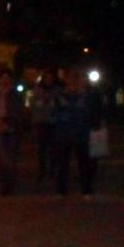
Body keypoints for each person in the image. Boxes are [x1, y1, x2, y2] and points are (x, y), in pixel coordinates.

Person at [52, 65, 102, 199]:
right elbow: (56, 115)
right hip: (65, 135)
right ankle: (61, 191)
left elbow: (94, 114)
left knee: (85, 165)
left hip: (82, 134)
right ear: (67, 80)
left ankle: (86, 190)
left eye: (77, 78)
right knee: (62, 165)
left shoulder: (88, 96)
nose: (74, 81)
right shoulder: (60, 96)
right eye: (72, 78)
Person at [0, 68, 23, 196]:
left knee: (11, 158)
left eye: (7, 78)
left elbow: (18, 111)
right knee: (2, 158)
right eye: (3, 78)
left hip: (12, 129)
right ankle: (4, 184)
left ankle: (11, 185)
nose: (5, 81)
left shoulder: (15, 94)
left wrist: (8, 122)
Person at [31, 67, 58, 184]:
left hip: (53, 122)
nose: (49, 80)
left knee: (53, 149)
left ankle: (52, 170)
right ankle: (42, 171)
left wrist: (49, 102)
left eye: (51, 78)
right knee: (41, 149)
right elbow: (34, 104)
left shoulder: (57, 90)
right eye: (47, 78)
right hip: (41, 122)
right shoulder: (37, 89)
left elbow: (58, 104)